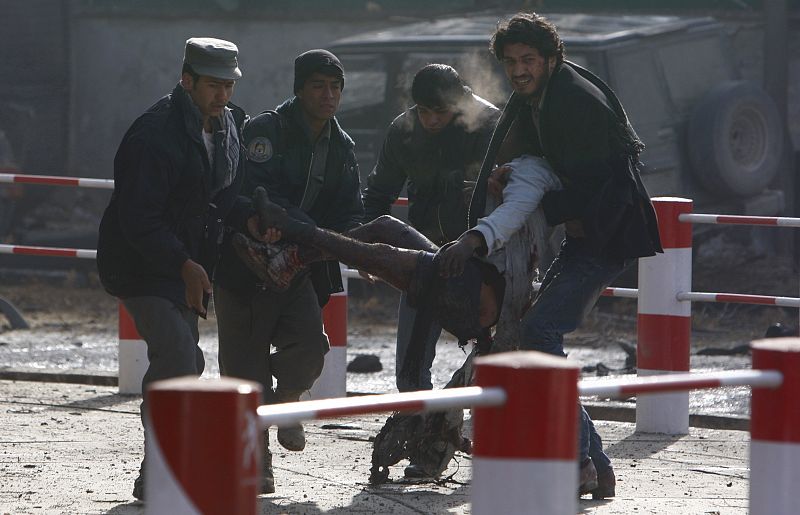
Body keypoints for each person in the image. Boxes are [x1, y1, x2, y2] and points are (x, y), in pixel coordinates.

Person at [445, 12, 664, 499]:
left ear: (550, 58)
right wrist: (508, 173)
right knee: (535, 333)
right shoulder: (541, 95)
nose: (519, 70)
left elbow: (603, 176)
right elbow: (517, 150)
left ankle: (582, 460)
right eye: (510, 63)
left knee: (540, 331)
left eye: (528, 60)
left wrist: (548, 203)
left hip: (609, 232)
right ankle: (595, 465)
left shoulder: (572, 99)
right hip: (588, 234)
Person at [96, 37, 251, 501]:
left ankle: (166, 465)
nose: (222, 96)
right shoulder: (154, 134)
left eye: (228, 85)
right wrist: (183, 263)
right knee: (179, 356)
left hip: (190, 265)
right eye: (212, 86)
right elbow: (139, 218)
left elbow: (222, 198)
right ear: (187, 81)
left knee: (187, 363)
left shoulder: (230, 129)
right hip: (143, 266)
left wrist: (252, 222)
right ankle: (159, 469)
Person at [213, 49, 363, 494]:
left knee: (310, 351)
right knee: (245, 371)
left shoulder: (343, 147)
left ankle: (285, 401)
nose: (328, 95)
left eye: (335, 87)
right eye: (318, 85)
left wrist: (360, 245)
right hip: (244, 267)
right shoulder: (265, 130)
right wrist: (301, 226)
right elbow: (257, 190)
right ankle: (256, 465)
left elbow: (350, 210)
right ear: (299, 89)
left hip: (298, 270)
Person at [361, 64, 499, 403]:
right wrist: (368, 249)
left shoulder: (489, 126)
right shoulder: (404, 131)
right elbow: (379, 193)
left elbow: (515, 200)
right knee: (409, 372)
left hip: (488, 257)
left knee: (505, 357)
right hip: (426, 255)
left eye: (441, 112)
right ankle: (419, 432)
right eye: (425, 112)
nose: (432, 120)